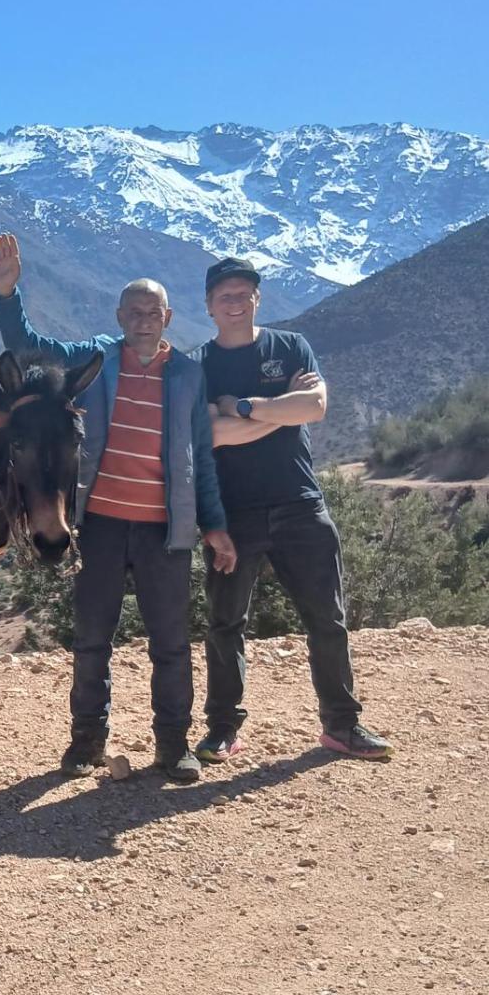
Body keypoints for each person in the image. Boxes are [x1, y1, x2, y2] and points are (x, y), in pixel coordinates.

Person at [0, 233, 237, 781]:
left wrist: (214, 524)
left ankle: (173, 745)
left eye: (153, 312)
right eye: (134, 311)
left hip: (164, 531)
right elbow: (29, 348)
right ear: (120, 316)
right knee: (91, 641)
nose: (144, 320)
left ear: (168, 317)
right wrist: (8, 295)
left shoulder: (188, 375)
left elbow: (201, 457)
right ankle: (86, 742)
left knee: (171, 644)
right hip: (99, 525)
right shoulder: (95, 360)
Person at [197, 257, 392, 762]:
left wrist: (241, 407)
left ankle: (342, 725)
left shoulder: (290, 346)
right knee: (225, 623)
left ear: (257, 299)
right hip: (234, 513)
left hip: (300, 504)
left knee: (327, 618)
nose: (236, 303)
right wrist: (281, 409)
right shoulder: (200, 365)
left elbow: (315, 407)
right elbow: (210, 434)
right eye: (225, 296)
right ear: (209, 306)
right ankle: (222, 729)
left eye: (244, 294)